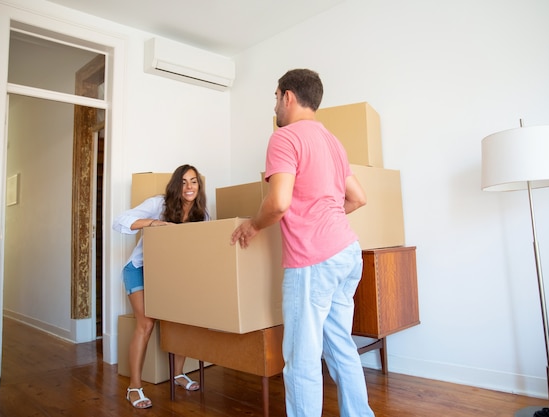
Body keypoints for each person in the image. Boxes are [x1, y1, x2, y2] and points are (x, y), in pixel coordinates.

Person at [230, 69, 375, 417]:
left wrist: (253, 224)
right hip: (347, 253)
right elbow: (358, 198)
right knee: (341, 346)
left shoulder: (284, 138)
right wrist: (324, 217)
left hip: (313, 262)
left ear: (289, 96)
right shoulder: (332, 141)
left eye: (276, 97)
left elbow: (278, 203)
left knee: (302, 358)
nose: (276, 105)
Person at [113, 164, 208, 409]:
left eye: (194, 181)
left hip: (170, 273)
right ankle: (134, 388)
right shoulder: (159, 204)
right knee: (146, 324)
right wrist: (154, 224)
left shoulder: (202, 214)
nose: (189, 187)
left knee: (180, 321)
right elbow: (120, 221)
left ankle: (177, 374)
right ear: (176, 185)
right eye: (184, 182)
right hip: (140, 269)